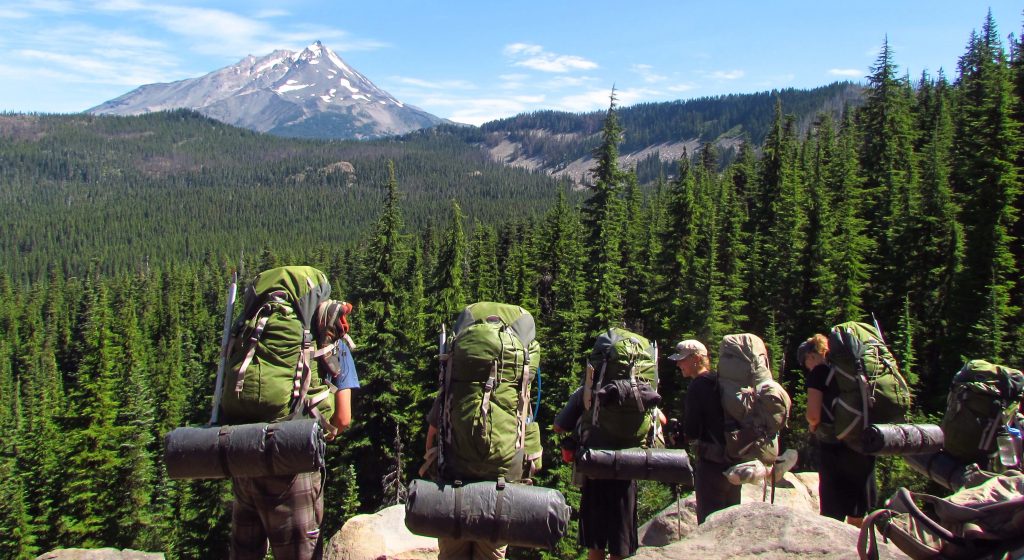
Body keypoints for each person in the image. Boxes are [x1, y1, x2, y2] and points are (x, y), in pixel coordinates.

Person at [229, 298, 358, 560]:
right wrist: (325, 432)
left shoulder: (258, 334)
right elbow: (344, 418)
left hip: (244, 454)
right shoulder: (330, 343)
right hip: (294, 459)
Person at [798, 334, 876, 528]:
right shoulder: (852, 371)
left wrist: (812, 425)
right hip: (861, 443)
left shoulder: (819, 373)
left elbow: (814, 415)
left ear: (811, 356)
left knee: (832, 516)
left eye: (805, 362)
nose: (807, 367)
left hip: (833, 448)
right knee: (858, 511)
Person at [670, 339, 740, 524]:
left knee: (710, 524)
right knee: (731, 522)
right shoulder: (719, 381)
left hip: (711, 467)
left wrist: (678, 436)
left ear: (696, 358)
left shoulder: (698, 386)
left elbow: (692, 431)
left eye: (682, 359)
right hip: (733, 462)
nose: (678, 364)